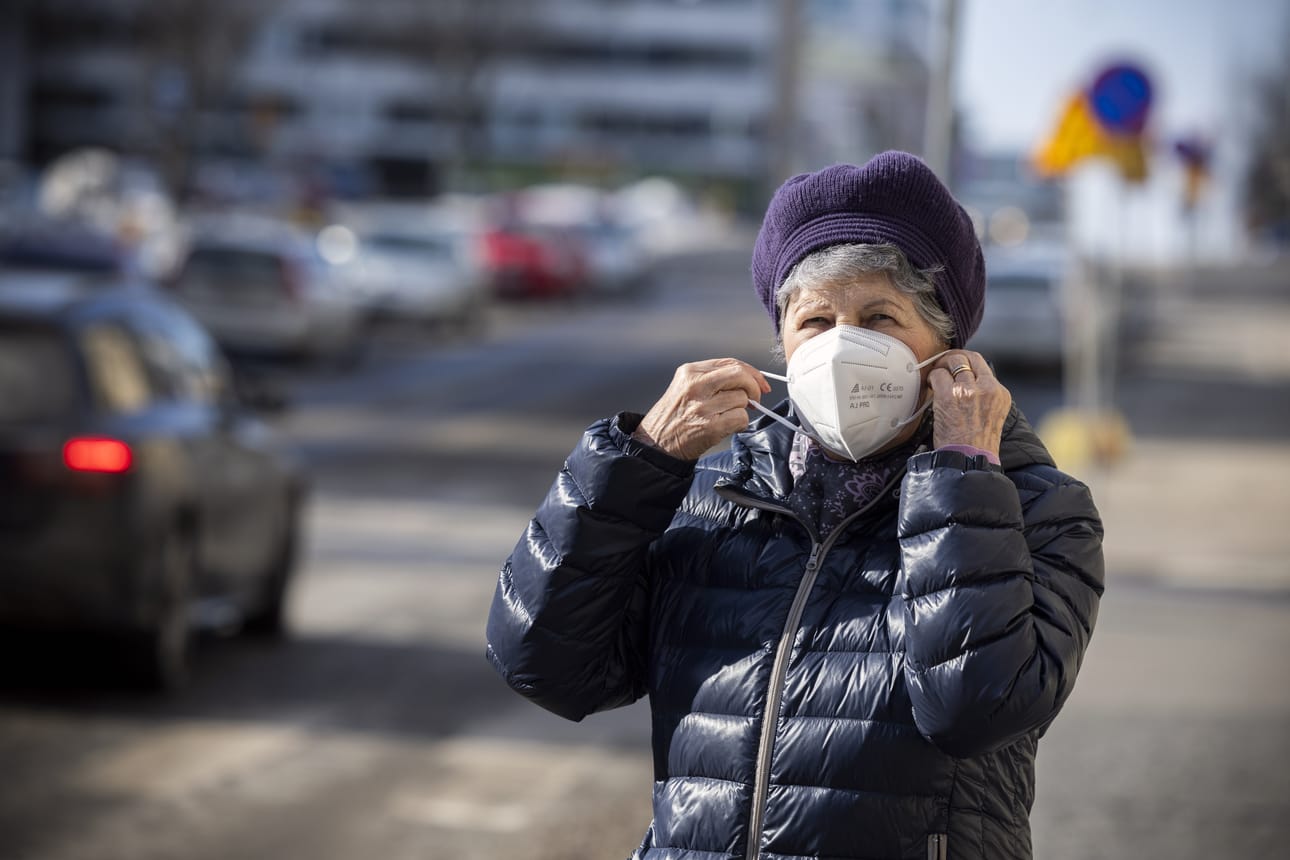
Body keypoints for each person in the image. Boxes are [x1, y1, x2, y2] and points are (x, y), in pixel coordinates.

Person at [486, 151, 1105, 860]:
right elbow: (543, 662)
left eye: (880, 317)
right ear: (780, 339)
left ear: (948, 345)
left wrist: (962, 472)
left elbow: (975, 707)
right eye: (815, 321)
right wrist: (639, 465)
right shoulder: (716, 497)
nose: (844, 347)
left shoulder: (1036, 510)